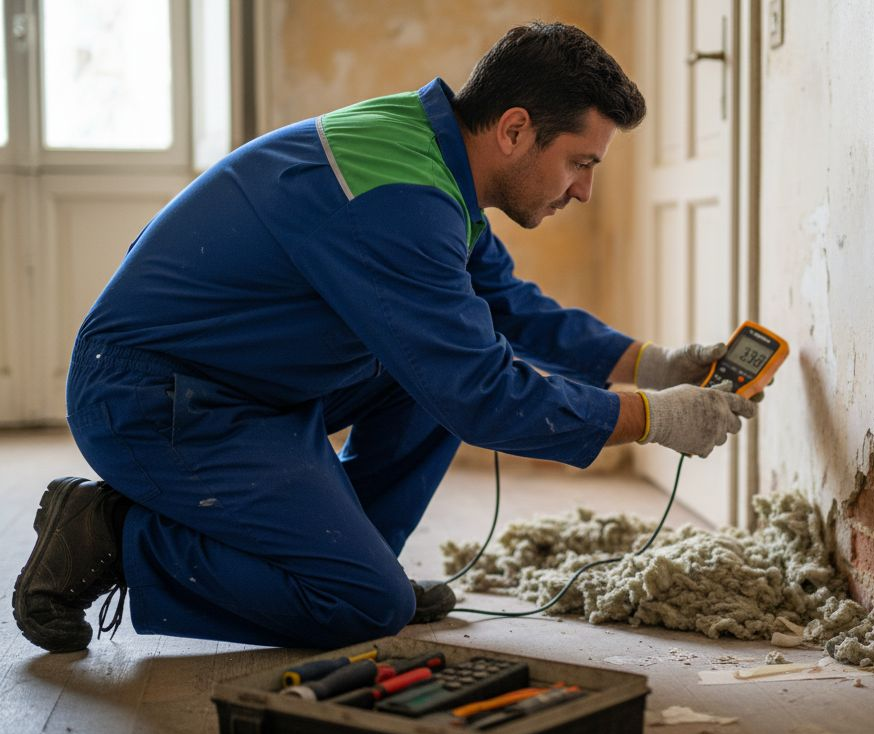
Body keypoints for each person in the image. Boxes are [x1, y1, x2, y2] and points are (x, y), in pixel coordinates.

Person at [12, 22, 756, 654]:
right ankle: (109, 533)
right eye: (580, 163)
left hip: (235, 384)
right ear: (516, 129)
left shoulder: (430, 153)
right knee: (363, 605)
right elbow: (481, 394)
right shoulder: (401, 200)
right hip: (152, 399)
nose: (584, 189)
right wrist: (655, 420)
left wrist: (653, 365)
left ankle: (352, 554)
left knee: (431, 366)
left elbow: (506, 304)